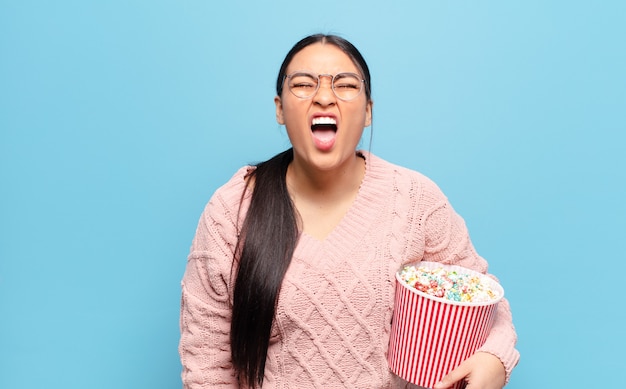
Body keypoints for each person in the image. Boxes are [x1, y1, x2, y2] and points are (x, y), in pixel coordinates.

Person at [179, 33, 519, 388]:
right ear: (279, 108)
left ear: (368, 110)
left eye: (345, 85)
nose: (324, 97)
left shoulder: (416, 200)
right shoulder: (230, 211)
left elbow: (486, 301)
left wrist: (495, 357)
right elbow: (206, 362)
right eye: (303, 84)